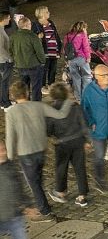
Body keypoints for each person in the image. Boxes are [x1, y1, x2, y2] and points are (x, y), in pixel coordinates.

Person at [6, 81, 73, 220]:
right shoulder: (39, 106)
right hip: (40, 149)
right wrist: (68, 101)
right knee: (37, 178)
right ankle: (42, 202)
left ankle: (44, 210)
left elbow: (10, 136)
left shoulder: (11, 112)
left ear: (13, 96)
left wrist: (10, 157)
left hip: (26, 152)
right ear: (27, 92)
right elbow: (60, 115)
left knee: (33, 183)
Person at [46, 82, 90, 207]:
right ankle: (82, 196)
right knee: (80, 168)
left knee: (61, 167)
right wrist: (87, 140)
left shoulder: (51, 109)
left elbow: (48, 130)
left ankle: (60, 192)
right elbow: (84, 124)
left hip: (62, 144)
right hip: (77, 141)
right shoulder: (75, 107)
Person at [0, 140, 36, 239]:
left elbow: (19, 188)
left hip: (14, 216)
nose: (3, 152)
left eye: (4, 148)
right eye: (0, 150)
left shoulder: (10, 166)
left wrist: (28, 205)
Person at [11, 16, 47, 102]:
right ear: (27, 25)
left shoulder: (13, 37)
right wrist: (42, 61)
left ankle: (25, 105)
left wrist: (16, 60)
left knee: (24, 88)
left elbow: (11, 51)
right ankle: (35, 107)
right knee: (36, 88)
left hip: (20, 66)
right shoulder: (33, 36)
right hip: (34, 65)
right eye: (30, 24)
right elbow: (39, 51)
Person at [63, 21, 93, 100]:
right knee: (87, 76)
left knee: (75, 78)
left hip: (71, 59)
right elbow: (86, 47)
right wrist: (88, 57)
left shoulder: (67, 35)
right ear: (82, 27)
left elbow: (65, 49)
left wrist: (66, 59)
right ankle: (86, 95)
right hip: (81, 58)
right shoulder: (82, 35)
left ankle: (78, 97)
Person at [34, 6, 61, 92]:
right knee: (44, 70)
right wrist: (38, 37)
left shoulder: (51, 23)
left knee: (53, 69)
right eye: (46, 12)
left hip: (53, 50)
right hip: (44, 52)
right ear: (41, 14)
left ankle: (51, 85)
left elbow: (56, 35)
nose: (48, 13)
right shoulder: (36, 25)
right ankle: (42, 86)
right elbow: (31, 38)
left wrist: (59, 48)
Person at [0, 13, 11, 108]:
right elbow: (1, 49)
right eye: (8, 18)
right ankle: (5, 103)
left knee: (2, 82)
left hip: (2, 60)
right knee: (5, 82)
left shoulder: (2, 29)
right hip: (3, 61)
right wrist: (9, 58)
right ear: (3, 19)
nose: (10, 19)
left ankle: (3, 101)